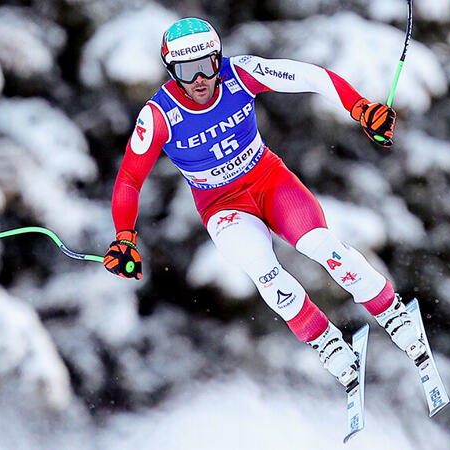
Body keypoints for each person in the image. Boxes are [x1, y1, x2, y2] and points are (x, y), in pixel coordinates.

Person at [102, 17, 427, 388]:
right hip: (223, 206)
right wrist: (125, 236)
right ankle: (324, 341)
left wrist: (360, 109)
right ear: (171, 71)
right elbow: (129, 177)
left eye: (207, 66)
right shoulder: (159, 115)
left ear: (218, 59)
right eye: (187, 71)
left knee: (320, 244)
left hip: (269, 181)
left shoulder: (240, 73)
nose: (199, 81)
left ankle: (391, 312)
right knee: (264, 271)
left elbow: (311, 77)